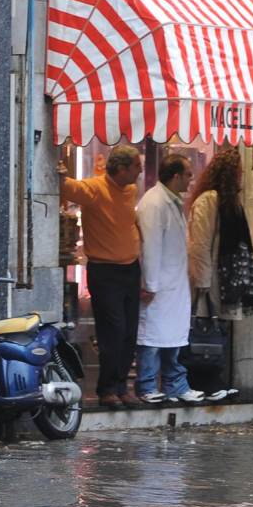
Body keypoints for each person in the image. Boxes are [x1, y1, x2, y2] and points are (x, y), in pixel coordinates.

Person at [58, 145, 144, 409]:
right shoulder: (94, 189)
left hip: (130, 268)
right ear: (121, 169)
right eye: (136, 167)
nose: (140, 172)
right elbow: (64, 186)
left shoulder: (130, 191)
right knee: (113, 331)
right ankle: (107, 388)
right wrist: (57, 166)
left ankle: (121, 386)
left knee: (129, 332)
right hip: (105, 271)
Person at [135, 154, 201, 404]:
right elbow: (150, 246)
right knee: (152, 338)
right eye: (187, 174)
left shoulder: (171, 202)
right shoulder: (154, 203)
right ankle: (148, 385)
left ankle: (175, 384)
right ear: (175, 176)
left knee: (171, 337)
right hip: (160, 283)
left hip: (172, 282)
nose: (191, 180)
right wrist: (150, 284)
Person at [186, 148, 252, 401]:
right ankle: (205, 380)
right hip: (211, 278)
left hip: (225, 277)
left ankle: (214, 379)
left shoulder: (227, 201)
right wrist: (201, 279)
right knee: (205, 326)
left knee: (217, 328)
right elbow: (200, 243)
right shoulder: (210, 200)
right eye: (238, 172)